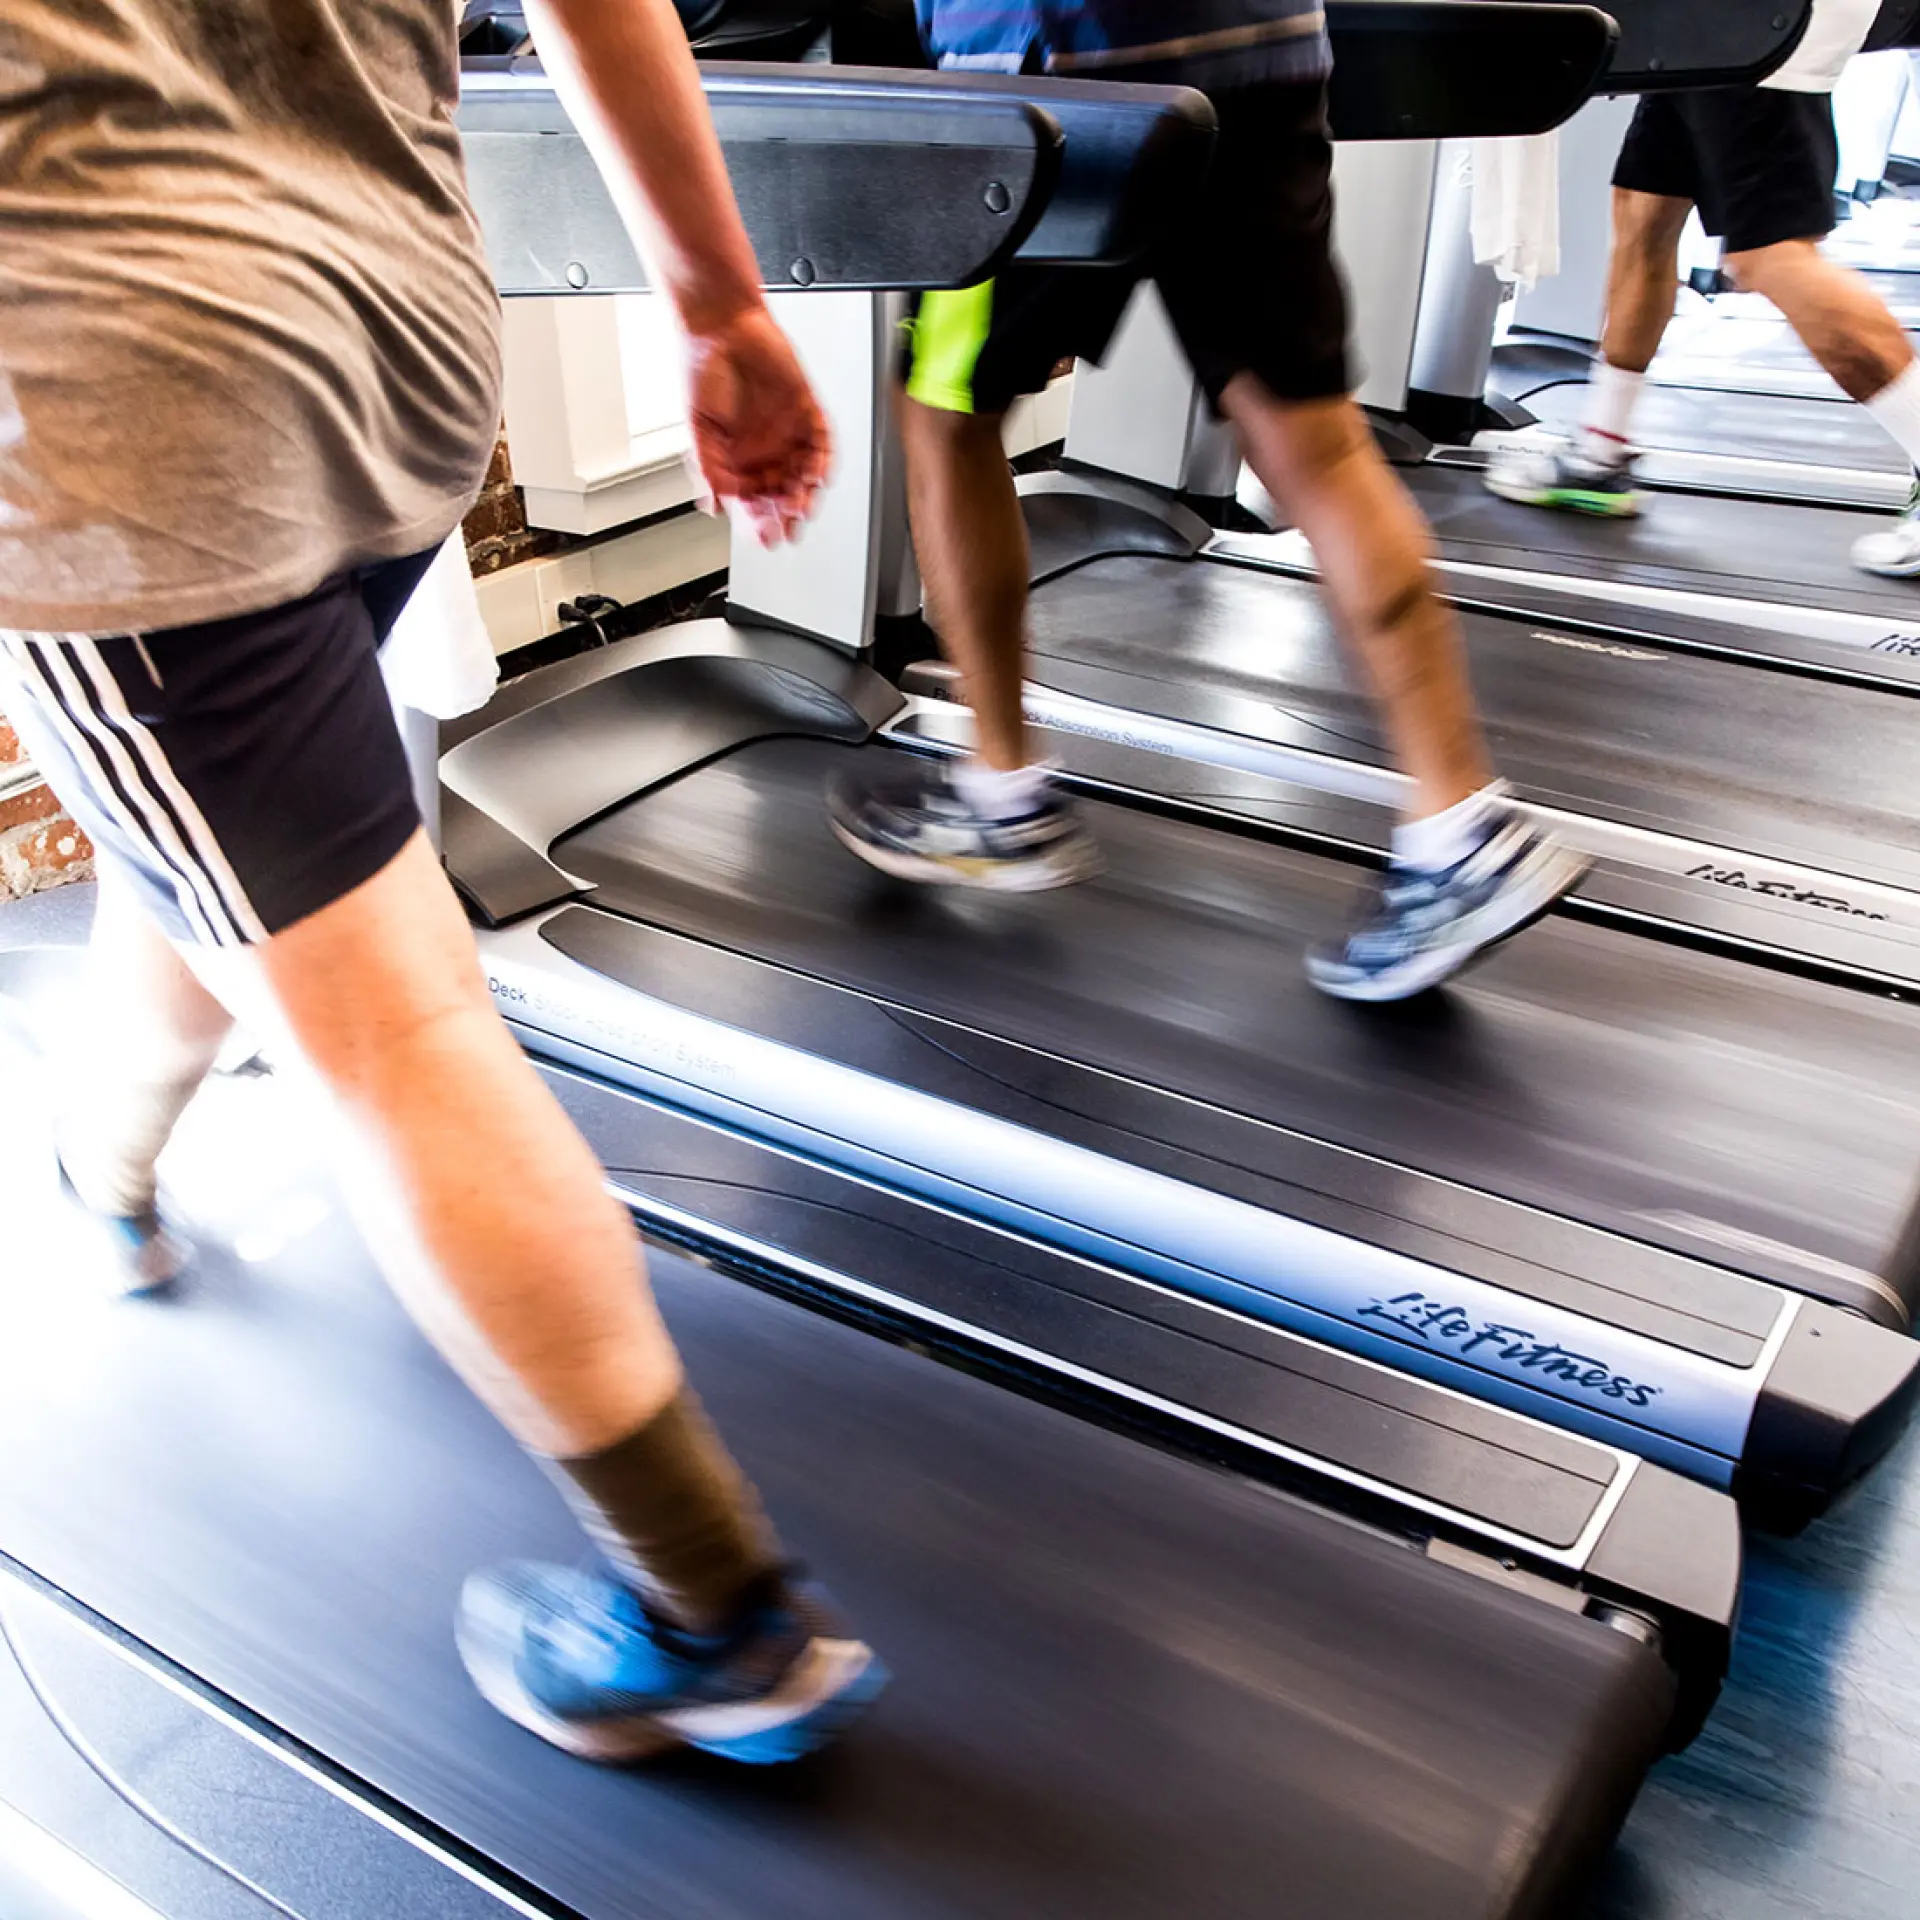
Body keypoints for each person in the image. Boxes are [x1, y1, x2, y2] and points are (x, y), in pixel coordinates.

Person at [0, 0, 884, 1766]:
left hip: (114, 395)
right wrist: (718, 306)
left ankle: (717, 1616)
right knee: (230, 846)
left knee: (394, 1031)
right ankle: (109, 1169)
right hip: (397, 330)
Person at [825, 0, 1588, 1002]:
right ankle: (1459, 826)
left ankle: (1001, 792)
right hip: (1262, 59)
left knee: (942, 412)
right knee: (1315, 442)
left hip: (1044, 77)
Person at [1486, 0, 1920, 580]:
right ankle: (1601, 454)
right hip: (1694, 22)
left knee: (1770, 256)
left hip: (1749, 22)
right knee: (1644, 210)